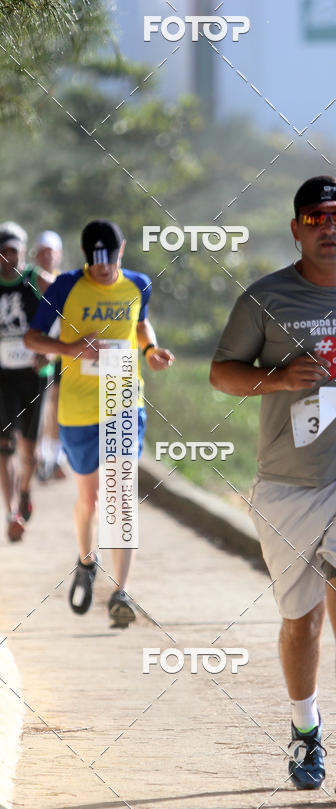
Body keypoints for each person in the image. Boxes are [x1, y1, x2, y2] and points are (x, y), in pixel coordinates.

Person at [210, 176, 336, 796]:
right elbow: (221, 374)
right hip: (286, 488)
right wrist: (278, 378)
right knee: (301, 622)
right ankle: (306, 730)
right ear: (297, 229)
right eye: (316, 218)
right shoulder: (266, 297)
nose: (329, 227)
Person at [25, 220, 174, 627]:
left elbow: (140, 323)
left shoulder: (139, 284)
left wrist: (151, 350)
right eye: (96, 263)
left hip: (122, 395)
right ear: (87, 257)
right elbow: (32, 338)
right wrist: (69, 349)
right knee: (90, 499)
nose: (104, 270)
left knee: (121, 496)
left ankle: (122, 592)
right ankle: (87, 560)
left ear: (121, 251)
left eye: (110, 262)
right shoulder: (66, 286)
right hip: (76, 407)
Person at [0, 223, 53, 541]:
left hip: (34, 376)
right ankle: (11, 513)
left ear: (24, 252)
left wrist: (49, 349)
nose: (8, 258)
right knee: (4, 447)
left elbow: (66, 313)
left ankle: (24, 490)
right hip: (2, 378)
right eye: (2, 252)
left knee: (29, 452)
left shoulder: (39, 281)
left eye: (13, 252)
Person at [33, 230, 66, 481]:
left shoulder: (66, 285)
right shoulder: (28, 282)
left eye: (51, 252)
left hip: (59, 353)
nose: (47, 257)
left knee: (55, 405)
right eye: (42, 252)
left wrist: (53, 351)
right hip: (32, 353)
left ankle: (51, 458)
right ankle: (38, 456)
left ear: (59, 256)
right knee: (38, 406)